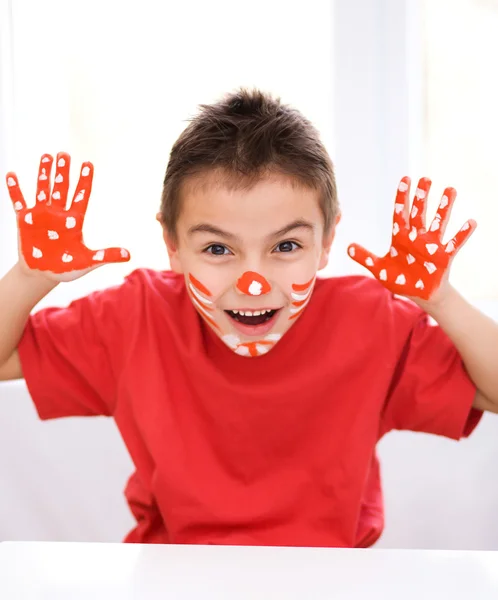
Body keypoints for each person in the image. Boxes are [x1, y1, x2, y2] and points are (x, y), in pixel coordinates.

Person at [1, 88, 497, 548]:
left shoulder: (370, 324)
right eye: (218, 248)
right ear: (172, 245)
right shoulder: (135, 318)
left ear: (326, 242)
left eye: (286, 246)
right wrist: (30, 277)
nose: (252, 282)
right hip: (173, 582)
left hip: (330, 585)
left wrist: (442, 301)